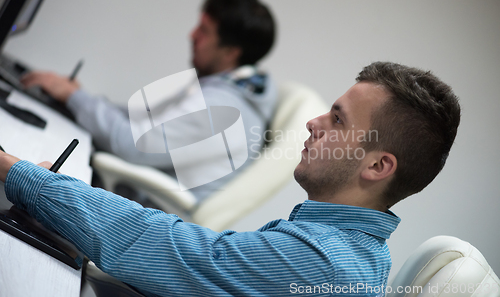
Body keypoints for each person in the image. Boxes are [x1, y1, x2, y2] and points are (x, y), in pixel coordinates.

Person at [0, 62, 461, 296]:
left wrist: (17, 174)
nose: (313, 124)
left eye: (337, 120)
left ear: (378, 166)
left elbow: (166, 248)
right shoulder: (356, 253)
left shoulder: (323, 262)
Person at [20, 0, 278, 201]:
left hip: (146, 210)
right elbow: (143, 117)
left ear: (231, 52)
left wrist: (75, 98)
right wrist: (76, 96)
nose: (192, 35)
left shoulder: (222, 107)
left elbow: (131, 144)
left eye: (204, 30)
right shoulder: (224, 87)